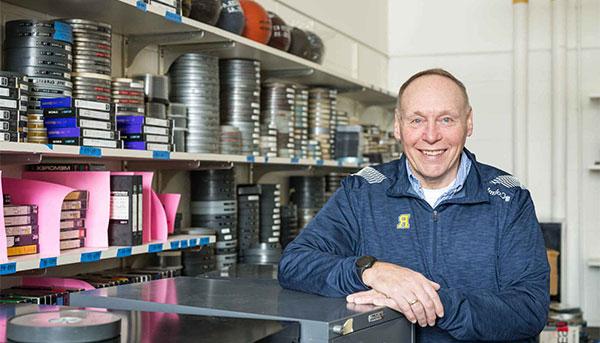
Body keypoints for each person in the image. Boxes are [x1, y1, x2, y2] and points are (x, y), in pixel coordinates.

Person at [278, 68, 550, 342]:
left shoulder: (508, 198)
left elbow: (529, 309)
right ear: (398, 125)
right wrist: (371, 271)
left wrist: (432, 302)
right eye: (417, 120)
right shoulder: (363, 191)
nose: (431, 136)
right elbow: (295, 263)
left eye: (446, 119)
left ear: (468, 122)